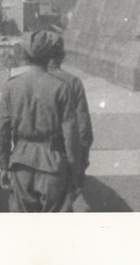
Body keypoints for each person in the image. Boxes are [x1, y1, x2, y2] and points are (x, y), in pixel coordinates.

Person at [0, 30, 81, 212]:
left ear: (26, 56)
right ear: (49, 56)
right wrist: (74, 169)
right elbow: (71, 134)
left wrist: (4, 165)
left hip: (21, 163)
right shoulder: (62, 87)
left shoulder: (12, 85)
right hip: (53, 163)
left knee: (24, 225)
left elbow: (2, 130)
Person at [47, 32, 94, 186]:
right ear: (63, 55)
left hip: (28, 161)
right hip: (63, 158)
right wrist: (81, 161)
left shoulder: (23, 82)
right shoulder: (73, 82)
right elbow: (83, 128)